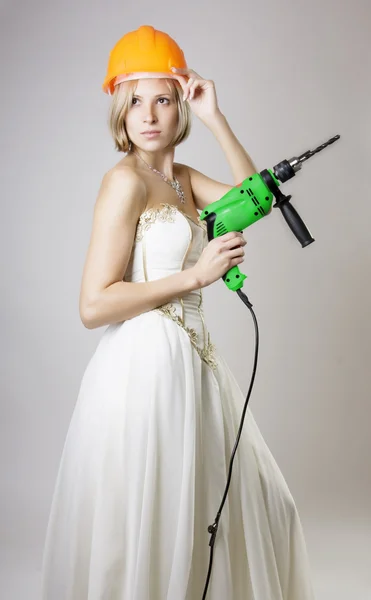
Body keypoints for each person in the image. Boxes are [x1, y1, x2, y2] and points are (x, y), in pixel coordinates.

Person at [40, 25, 315, 600]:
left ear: (179, 103)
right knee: (157, 519)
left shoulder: (183, 180)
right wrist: (194, 275)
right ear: (120, 109)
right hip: (145, 367)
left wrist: (216, 117)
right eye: (134, 100)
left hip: (196, 363)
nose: (147, 114)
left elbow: (256, 199)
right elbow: (94, 304)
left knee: (255, 507)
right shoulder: (124, 182)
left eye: (162, 98)